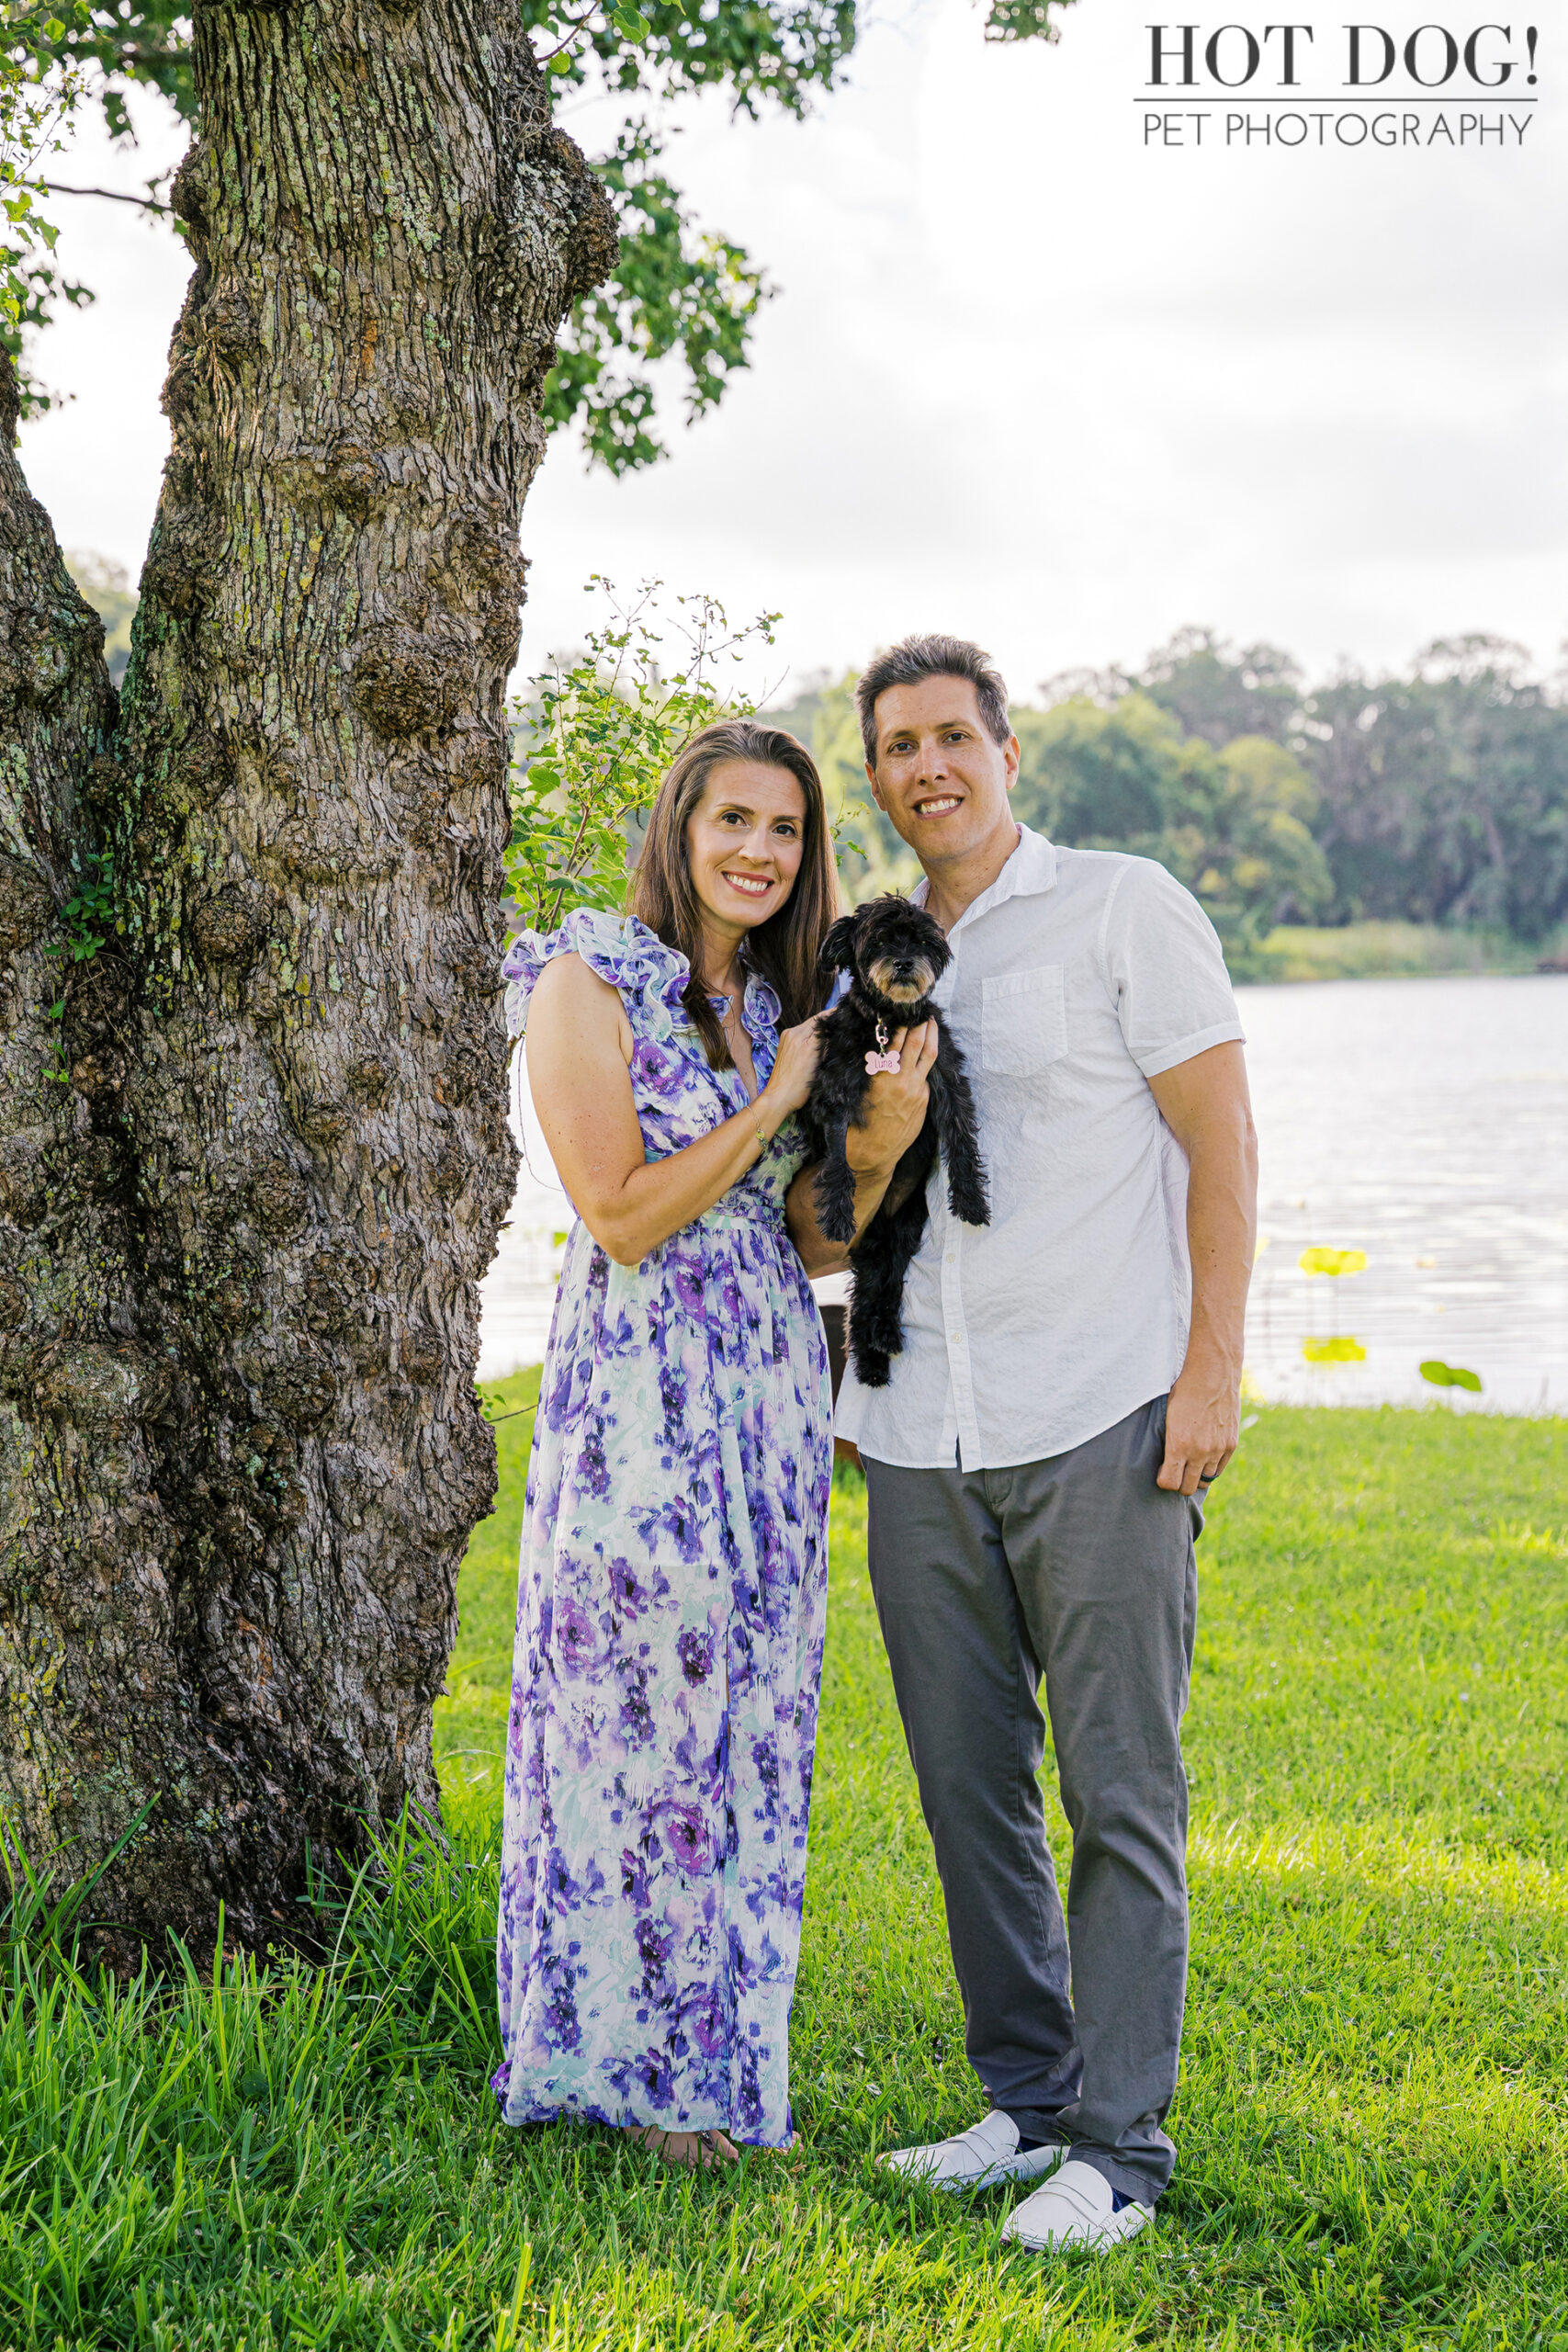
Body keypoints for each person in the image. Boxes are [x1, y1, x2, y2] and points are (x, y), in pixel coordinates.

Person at [786, 635, 1258, 2251]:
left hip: (1102, 1409)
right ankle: (1023, 2105)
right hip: (915, 1431)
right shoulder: (869, 961)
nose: (928, 767)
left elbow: (1220, 1140)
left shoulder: (1126, 906)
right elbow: (835, 1200)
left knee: (1120, 1787)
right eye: (898, 746)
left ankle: (1119, 2150)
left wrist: (1212, 1369)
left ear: (1005, 748)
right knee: (965, 1783)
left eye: (950, 738)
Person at [493, 718, 836, 2166]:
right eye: (735, 822)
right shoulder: (587, 976)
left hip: (769, 1394)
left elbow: (814, 1240)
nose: (760, 852)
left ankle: (719, 2070)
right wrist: (775, 1102)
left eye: (787, 831)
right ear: (680, 826)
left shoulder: (776, 1004)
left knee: (750, 1725)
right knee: (630, 1715)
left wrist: (871, 1132)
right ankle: (617, 2074)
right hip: (641, 1402)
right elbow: (621, 1210)